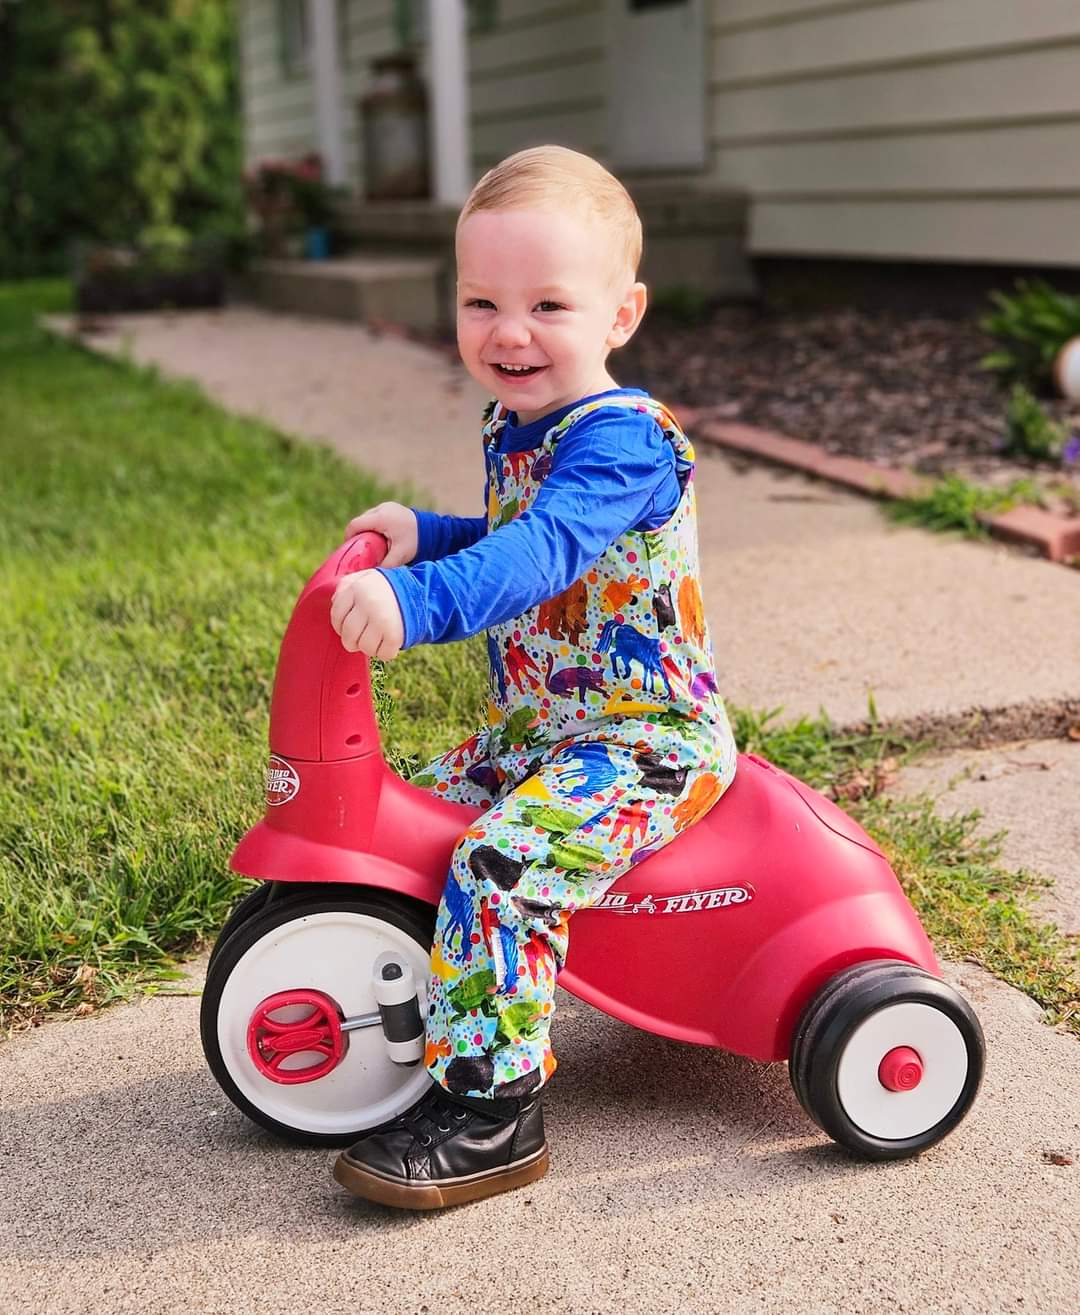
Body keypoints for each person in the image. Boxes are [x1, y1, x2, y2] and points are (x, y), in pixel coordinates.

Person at [328, 145, 737, 1210]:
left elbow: (542, 554)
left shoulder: (625, 444)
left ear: (620, 314)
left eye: (548, 303)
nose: (509, 333)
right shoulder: (521, 425)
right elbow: (515, 530)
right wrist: (429, 534)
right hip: (548, 726)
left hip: (643, 740)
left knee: (500, 860)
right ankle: (423, 1007)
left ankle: (494, 1107)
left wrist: (419, 605)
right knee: (409, 810)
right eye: (481, 301)